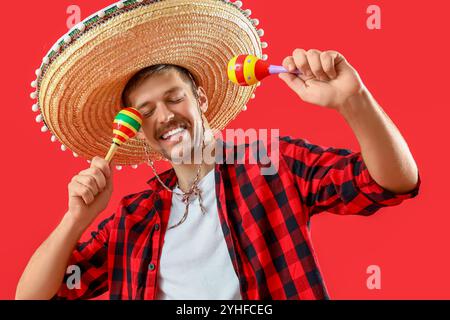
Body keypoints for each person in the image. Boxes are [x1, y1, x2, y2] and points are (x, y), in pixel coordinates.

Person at [17, 0, 419, 300]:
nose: (165, 117)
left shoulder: (269, 164)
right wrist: (75, 219)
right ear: (139, 131)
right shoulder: (132, 220)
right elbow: (34, 296)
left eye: (174, 98)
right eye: (146, 111)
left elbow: (389, 183)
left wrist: (355, 100)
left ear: (202, 99)